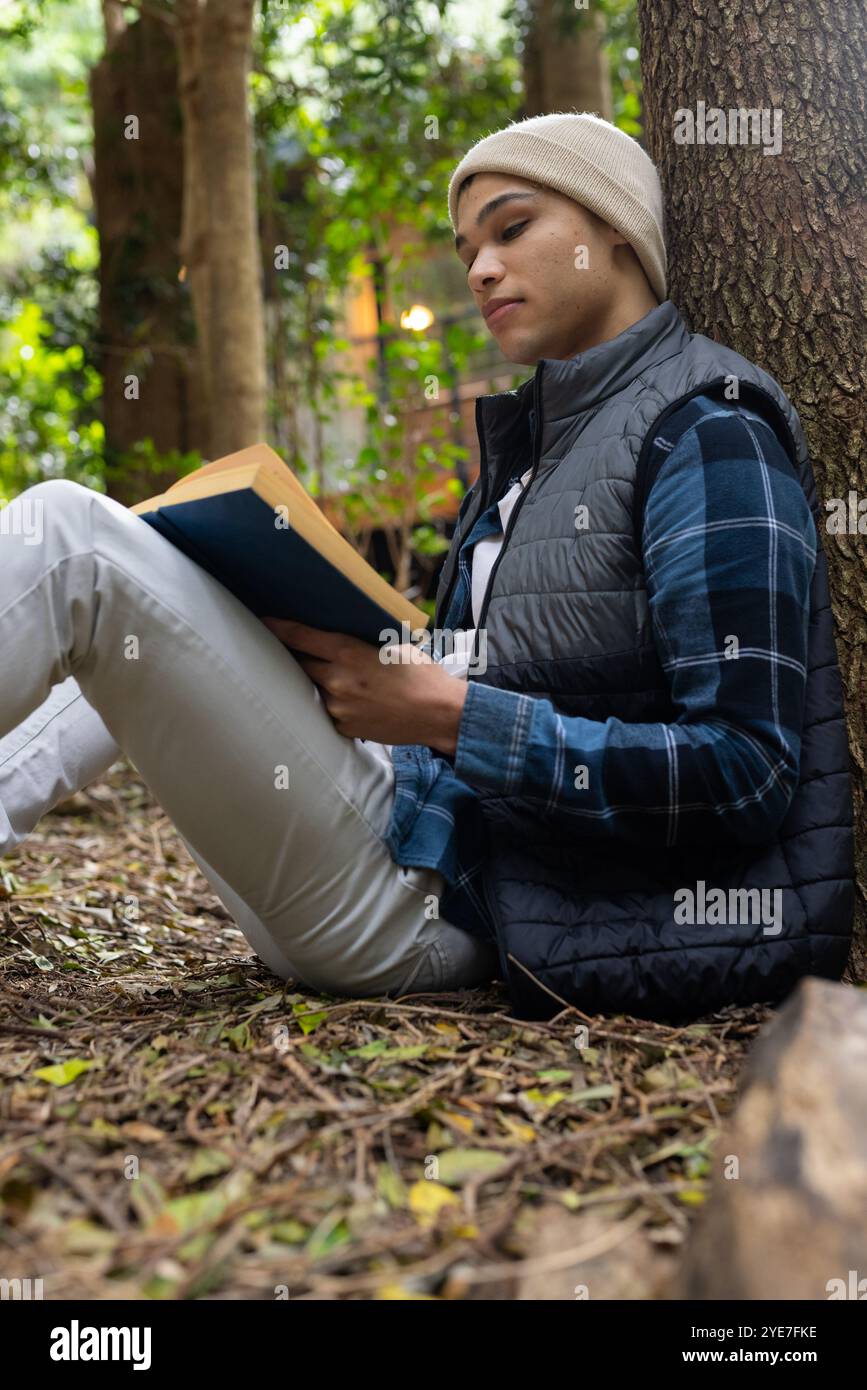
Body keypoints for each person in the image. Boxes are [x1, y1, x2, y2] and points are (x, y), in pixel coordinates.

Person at [0, 112, 853, 1019]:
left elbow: (743, 772)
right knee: (160, 579)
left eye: (512, 229)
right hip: (415, 834)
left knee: (71, 539)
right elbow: (514, 669)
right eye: (466, 250)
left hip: (455, 907)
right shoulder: (539, 447)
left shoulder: (707, 430)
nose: (481, 268)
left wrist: (450, 715)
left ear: (615, 227)